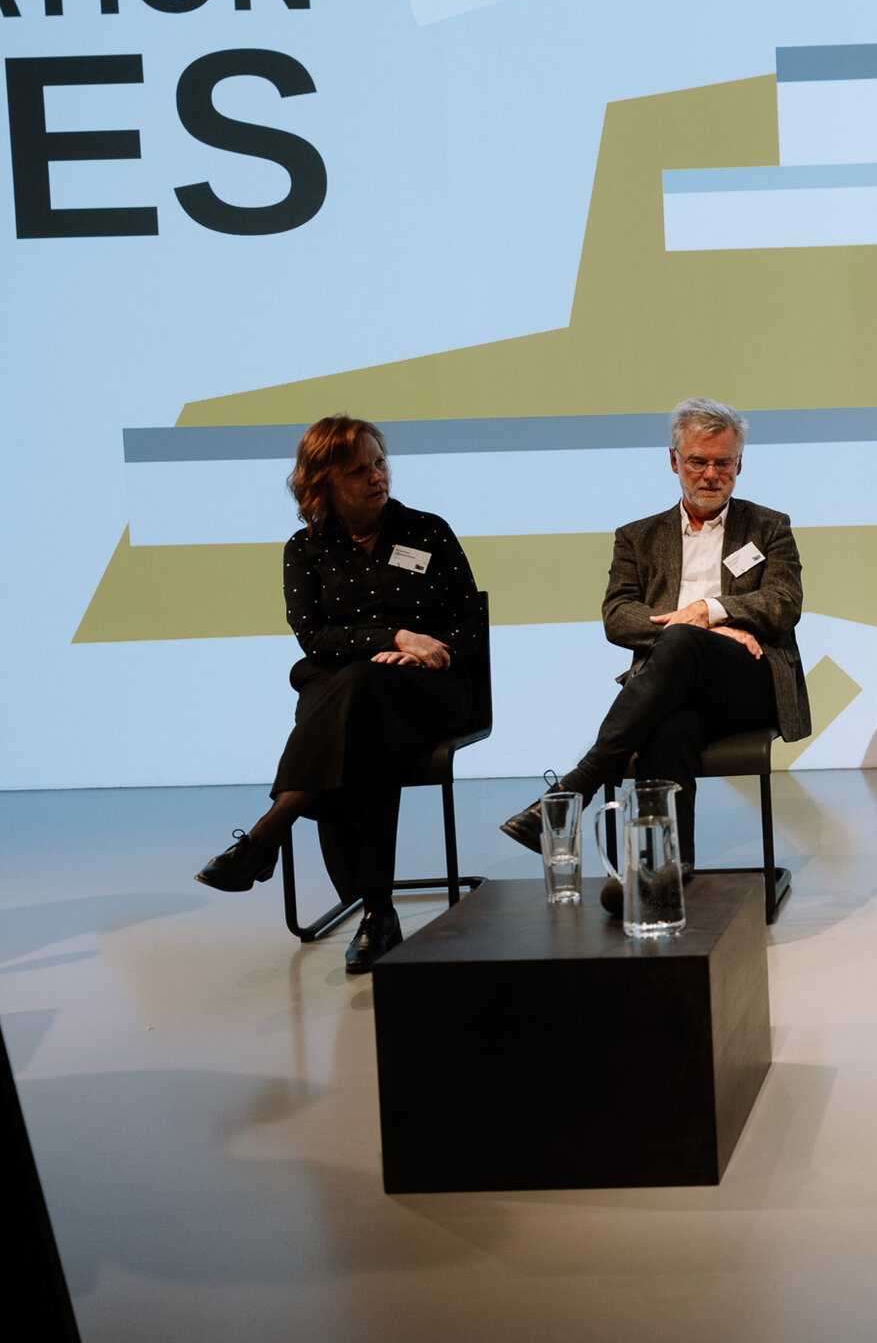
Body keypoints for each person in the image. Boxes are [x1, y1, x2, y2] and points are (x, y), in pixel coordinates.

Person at [195, 416, 480, 973]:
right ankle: (378, 914)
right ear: (321, 483)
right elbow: (313, 636)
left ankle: (266, 838)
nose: (377, 477)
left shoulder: (428, 531)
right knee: (360, 710)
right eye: (357, 471)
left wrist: (425, 650)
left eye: (380, 463)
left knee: (359, 692)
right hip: (340, 692)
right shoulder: (305, 549)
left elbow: (470, 620)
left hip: (429, 689)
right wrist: (392, 637)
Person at [499, 397, 810, 868]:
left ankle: (580, 782)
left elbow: (784, 603)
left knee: (684, 641)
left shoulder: (769, 527)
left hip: (748, 681)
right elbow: (618, 615)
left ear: (740, 464)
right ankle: (666, 873)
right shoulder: (637, 537)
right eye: (698, 461)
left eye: (723, 463)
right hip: (672, 685)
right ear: (673, 461)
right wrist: (708, 632)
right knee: (669, 724)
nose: (711, 474)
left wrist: (709, 613)